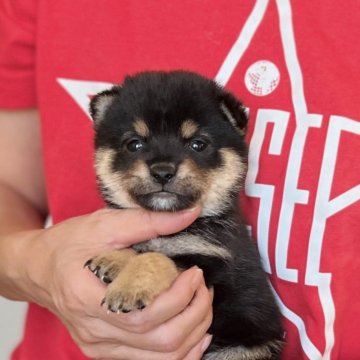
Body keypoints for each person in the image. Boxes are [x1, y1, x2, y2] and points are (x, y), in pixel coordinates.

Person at [0, 1, 359, 360]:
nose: (163, 167)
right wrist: (37, 265)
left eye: (198, 144)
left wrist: (152, 267)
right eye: (134, 144)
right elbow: (9, 185)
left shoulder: (218, 237)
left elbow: (200, 270)